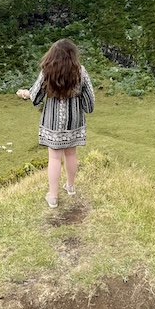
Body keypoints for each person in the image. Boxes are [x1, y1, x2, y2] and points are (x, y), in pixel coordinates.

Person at [16, 39, 95, 208]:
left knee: (54, 158)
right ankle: (71, 187)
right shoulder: (81, 72)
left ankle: (52, 197)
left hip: (53, 120)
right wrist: (85, 108)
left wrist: (25, 93)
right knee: (71, 154)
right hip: (74, 120)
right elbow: (90, 101)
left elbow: (36, 95)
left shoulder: (47, 71)